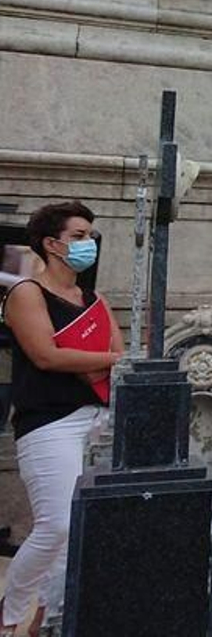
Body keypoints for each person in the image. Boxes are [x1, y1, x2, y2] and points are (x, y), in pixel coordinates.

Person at [2, 202, 122, 636]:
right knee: (59, 523)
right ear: (51, 244)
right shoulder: (25, 293)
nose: (87, 243)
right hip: (50, 422)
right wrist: (108, 360)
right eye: (77, 236)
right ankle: (10, 611)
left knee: (85, 532)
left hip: (100, 417)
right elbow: (46, 355)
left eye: (89, 235)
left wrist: (110, 361)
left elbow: (119, 356)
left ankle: (45, 618)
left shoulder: (95, 300)